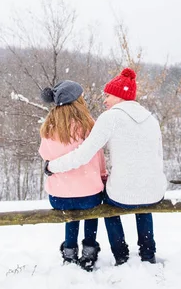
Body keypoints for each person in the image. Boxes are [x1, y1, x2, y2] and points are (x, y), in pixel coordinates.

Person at [45, 68, 167, 265]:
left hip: (123, 195)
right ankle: (148, 253)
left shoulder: (110, 118)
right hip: (154, 191)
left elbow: (84, 154)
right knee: (144, 203)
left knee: (108, 204)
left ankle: (120, 253)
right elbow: (158, 156)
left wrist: (53, 166)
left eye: (108, 95)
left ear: (119, 96)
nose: (105, 100)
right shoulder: (151, 118)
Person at [39, 80, 107, 272]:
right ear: (78, 101)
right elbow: (99, 156)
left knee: (71, 213)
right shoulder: (89, 125)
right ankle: (89, 251)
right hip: (89, 195)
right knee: (90, 210)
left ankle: (69, 251)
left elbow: (46, 155)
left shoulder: (49, 127)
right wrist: (102, 176)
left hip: (59, 198)